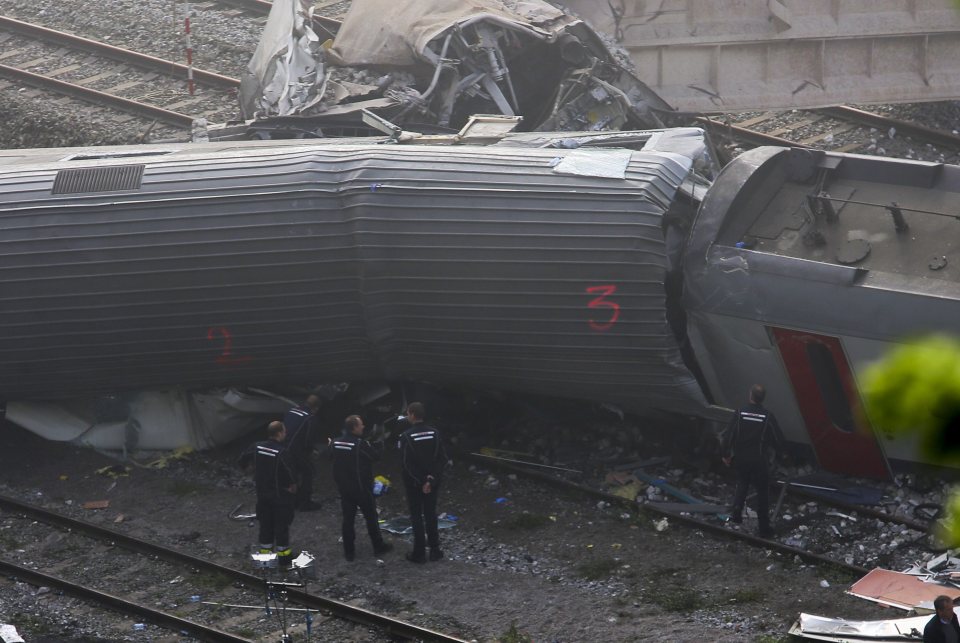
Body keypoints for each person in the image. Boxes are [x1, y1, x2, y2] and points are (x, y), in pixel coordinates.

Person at [720, 384, 783, 538]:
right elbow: (778, 438)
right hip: (759, 458)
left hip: (741, 457)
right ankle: (764, 528)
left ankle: (736, 513)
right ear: (763, 398)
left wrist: (726, 454)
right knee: (762, 492)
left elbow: (728, 435)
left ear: (750, 395)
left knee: (742, 482)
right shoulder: (767, 416)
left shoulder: (740, 413)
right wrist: (782, 457)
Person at [331, 415, 393, 561]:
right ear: (354, 428)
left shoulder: (335, 442)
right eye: (360, 425)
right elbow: (375, 457)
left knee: (348, 519)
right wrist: (380, 443)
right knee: (371, 517)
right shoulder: (360, 444)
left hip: (344, 488)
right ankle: (378, 546)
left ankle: (349, 552)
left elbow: (328, 456)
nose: (363, 427)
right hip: (361, 488)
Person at [239, 420, 298, 568]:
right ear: (278, 433)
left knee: (265, 527)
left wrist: (249, 468)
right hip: (279, 497)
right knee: (281, 527)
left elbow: (242, 459)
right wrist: (292, 486)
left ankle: (266, 559)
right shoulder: (282, 452)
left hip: (262, 495)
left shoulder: (257, 447)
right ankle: (284, 559)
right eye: (284, 432)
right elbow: (289, 473)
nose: (285, 434)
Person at [397, 402, 449, 563]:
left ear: (412, 414)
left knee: (416, 516)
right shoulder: (435, 433)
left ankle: (419, 553)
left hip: (414, 484)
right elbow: (442, 459)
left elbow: (406, 464)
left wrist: (420, 481)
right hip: (432, 482)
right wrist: (431, 479)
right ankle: (435, 550)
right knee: (431, 514)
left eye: (407, 413)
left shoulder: (406, 436)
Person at [284, 394, 323, 511]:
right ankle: (304, 503)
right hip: (295, 450)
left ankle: (292, 500)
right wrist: (312, 451)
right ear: (316, 408)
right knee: (308, 472)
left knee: (292, 473)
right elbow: (308, 440)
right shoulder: (310, 418)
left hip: (283, 446)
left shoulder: (291, 410)